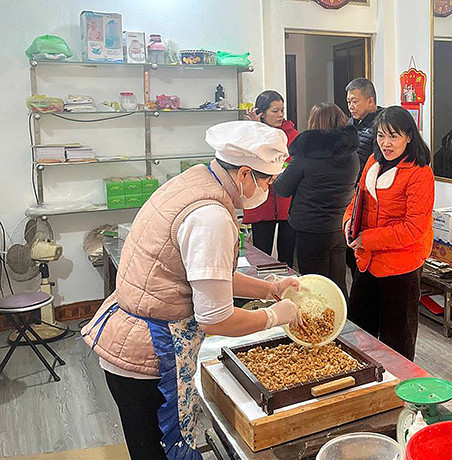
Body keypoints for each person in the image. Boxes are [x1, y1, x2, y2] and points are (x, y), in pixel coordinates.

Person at [81, 121, 302, 460]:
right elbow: (215, 318)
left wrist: (269, 289)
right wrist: (276, 316)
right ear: (244, 175)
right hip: (145, 354)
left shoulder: (198, 180)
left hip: (132, 335)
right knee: (157, 452)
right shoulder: (210, 216)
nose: (269, 188)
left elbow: (209, 276)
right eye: (267, 180)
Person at [343, 106, 434, 361]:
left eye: (393, 136)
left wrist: (367, 239)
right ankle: (365, 382)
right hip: (367, 259)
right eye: (381, 136)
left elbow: (413, 228)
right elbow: (358, 198)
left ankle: (398, 391)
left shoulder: (419, 172)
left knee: (397, 337)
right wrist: (348, 222)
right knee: (360, 329)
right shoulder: (373, 161)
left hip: (401, 264)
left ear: (408, 136)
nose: (386, 143)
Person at [273, 102, 359, 296]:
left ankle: (319, 324)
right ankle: (343, 323)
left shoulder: (306, 157)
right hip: (339, 227)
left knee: (313, 287)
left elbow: (282, 188)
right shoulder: (352, 156)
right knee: (338, 284)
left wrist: (280, 171)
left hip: (310, 229)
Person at [244, 90, 299, 266]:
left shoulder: (291, 133)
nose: (281, 115)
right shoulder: (250, 133)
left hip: (287, 201)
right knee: (261, 255)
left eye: (282, 110)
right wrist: (255, 128)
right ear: (261, 113)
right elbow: (250, 159)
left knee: (287, 255)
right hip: (260, 200)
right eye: (275, 111)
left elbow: (296, 163)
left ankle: (287, 291)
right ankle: (262, 291)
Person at [344, 78, 383, 281]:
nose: (351, 106)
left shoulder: (382, 125)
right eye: (348, 101)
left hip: (373, 197)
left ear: (370, 101)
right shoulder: (350, 124)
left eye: (355, 101)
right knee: (352, 252)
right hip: (351, 194)